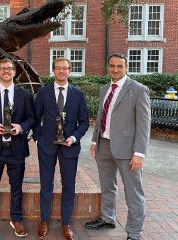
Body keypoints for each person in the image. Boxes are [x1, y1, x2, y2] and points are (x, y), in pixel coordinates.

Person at [85, 53, 151, 240]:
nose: (115, 69)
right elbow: (101, 117)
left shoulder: (138, 90)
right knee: (107, 186)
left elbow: (144, 125)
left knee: (133, 192)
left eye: (119, 66)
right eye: (112, 66)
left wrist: (139, 153)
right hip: (104, 146)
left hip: (127, 150)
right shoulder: (104, 88)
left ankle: (134, 232)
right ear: (108, 67)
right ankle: (108, 218)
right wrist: (95, 141)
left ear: (126, 67)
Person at [0, 58, 36, 238]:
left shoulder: (24, 95)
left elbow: (32, 118)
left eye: (9, 69)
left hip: (16, 148)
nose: (6, 71)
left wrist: (22, 127)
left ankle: (16, 218)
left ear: (14, 72)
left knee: (16, 186)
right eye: (3, 68)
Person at [33, 57, 89, 240]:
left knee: (68, 186)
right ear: (53, 70)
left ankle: (66, 223)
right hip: (47, 146)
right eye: (58, 68)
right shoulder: (43, 92)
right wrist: (38, 139)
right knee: (46, 185)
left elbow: (84, 122)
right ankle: (44, 220)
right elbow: (35, 118)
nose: (61, 71)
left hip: (69, 147)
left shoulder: (78, 94)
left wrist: (73, 138)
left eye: (65, 68)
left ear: (70, 71)